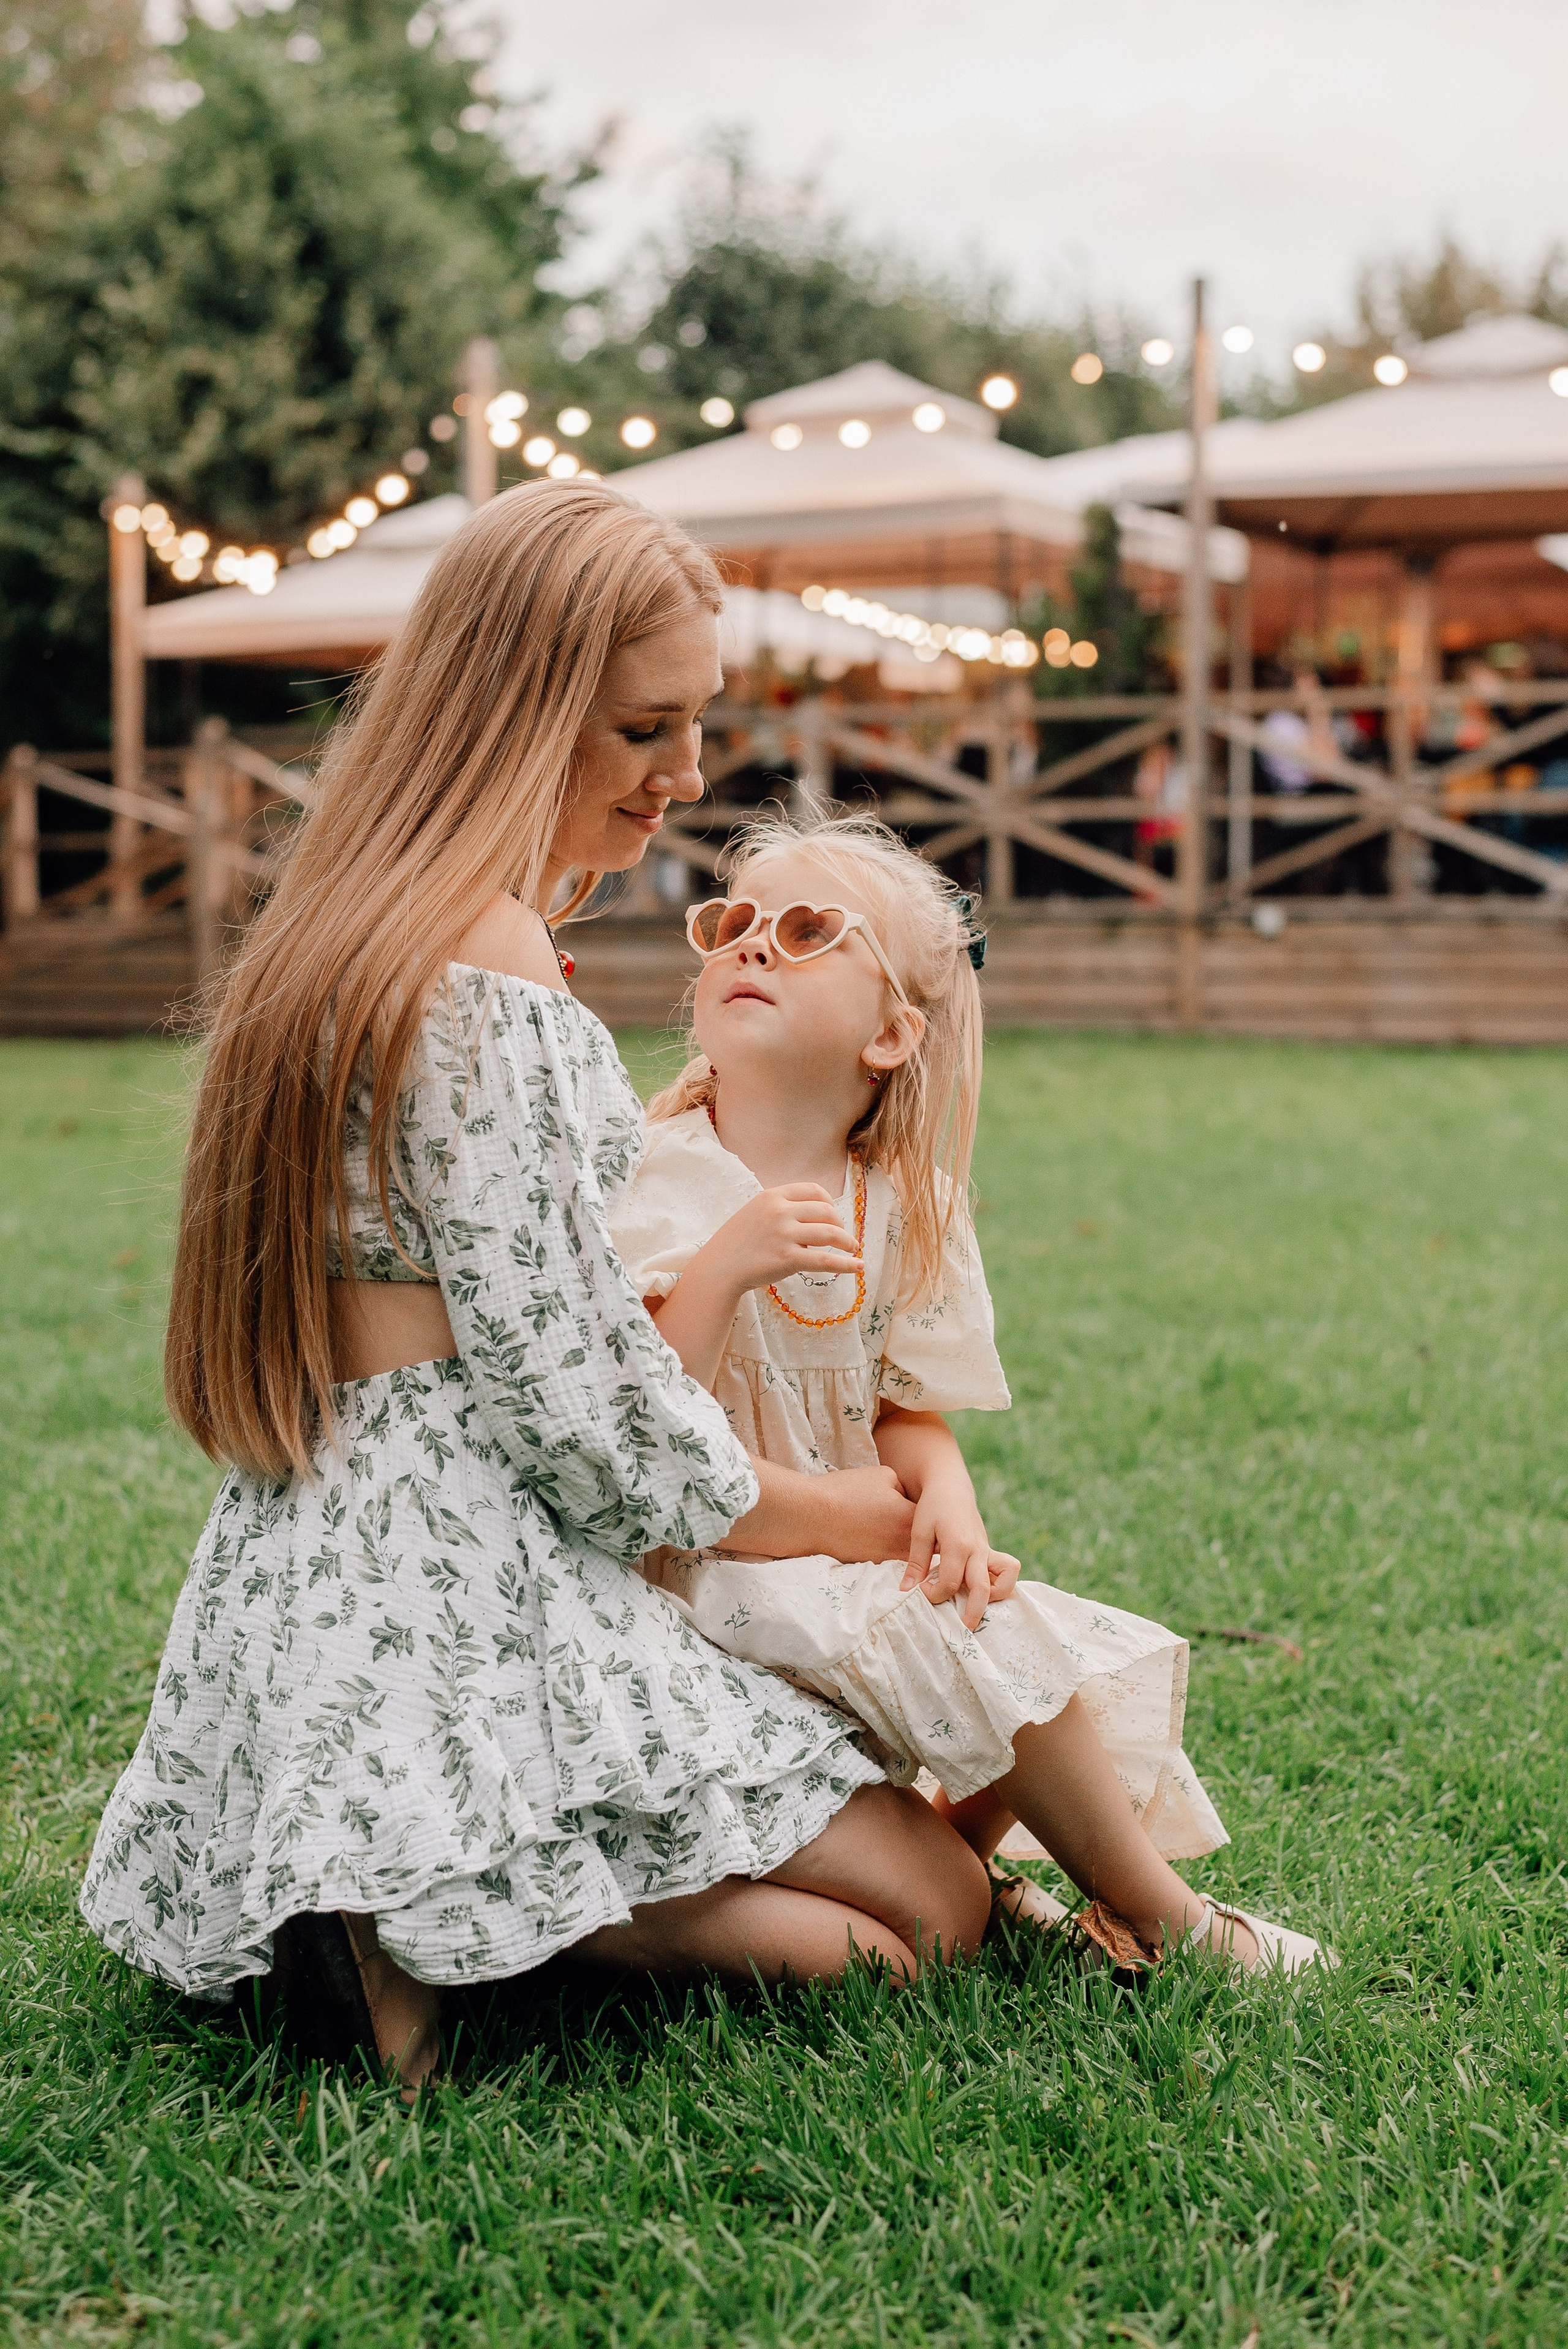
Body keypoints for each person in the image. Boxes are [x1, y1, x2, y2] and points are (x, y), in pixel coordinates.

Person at [79, 483, 992, 2089]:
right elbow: (574, 1413)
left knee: (904, 1915)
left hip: (313, 1577)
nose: (688, 774)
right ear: (516, 712)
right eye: (648, 724)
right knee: (928, 1916)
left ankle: (423, 1896)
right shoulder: (490, 972)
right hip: (472, 1580)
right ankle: (445, 1909)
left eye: (697, 721)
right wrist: (839, 1508)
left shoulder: (346, 929)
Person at [608, 813, 1330, 1979]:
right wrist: (722, 1266)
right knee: (977, 1645)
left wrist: (947, 1493)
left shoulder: (904, 1204)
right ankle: (1162, 1916)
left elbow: (900, 1409)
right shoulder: (654, 1174)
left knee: (1003, 1624)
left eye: (805, 931)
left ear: (891, 1035)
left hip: (840, 1554)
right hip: (704, 1566)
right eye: (733, 924)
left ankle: (1033, 1885)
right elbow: (637, 1421)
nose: (752, 947)